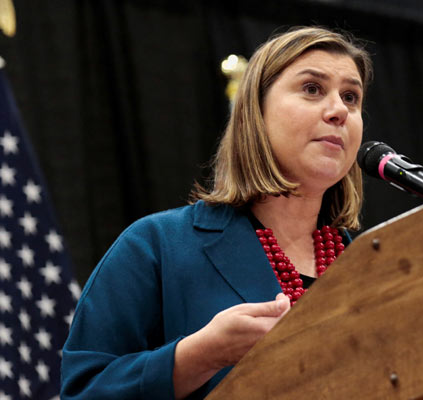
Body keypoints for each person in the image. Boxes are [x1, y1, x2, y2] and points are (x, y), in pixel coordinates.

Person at [61, 26, 373, 399]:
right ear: (255, 113)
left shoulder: (370, 263)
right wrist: (198, 356)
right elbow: (83, 392)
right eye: (312, 89)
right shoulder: (157, 246)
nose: (339, 110)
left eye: (351, 97)